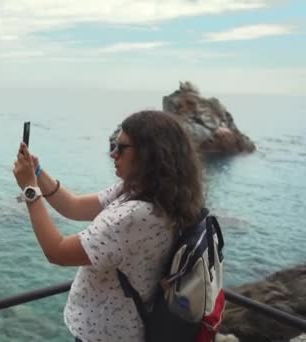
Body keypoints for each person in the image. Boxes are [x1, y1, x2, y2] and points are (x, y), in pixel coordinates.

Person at [12, 110, 204, 342]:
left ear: (149, 154)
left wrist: (30, 191)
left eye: (121, 148)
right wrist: (38, 173)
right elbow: (73, 206)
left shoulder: (136, 216)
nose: (113, 153)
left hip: (106, 336)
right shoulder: (143, 192)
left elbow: (58, 252)